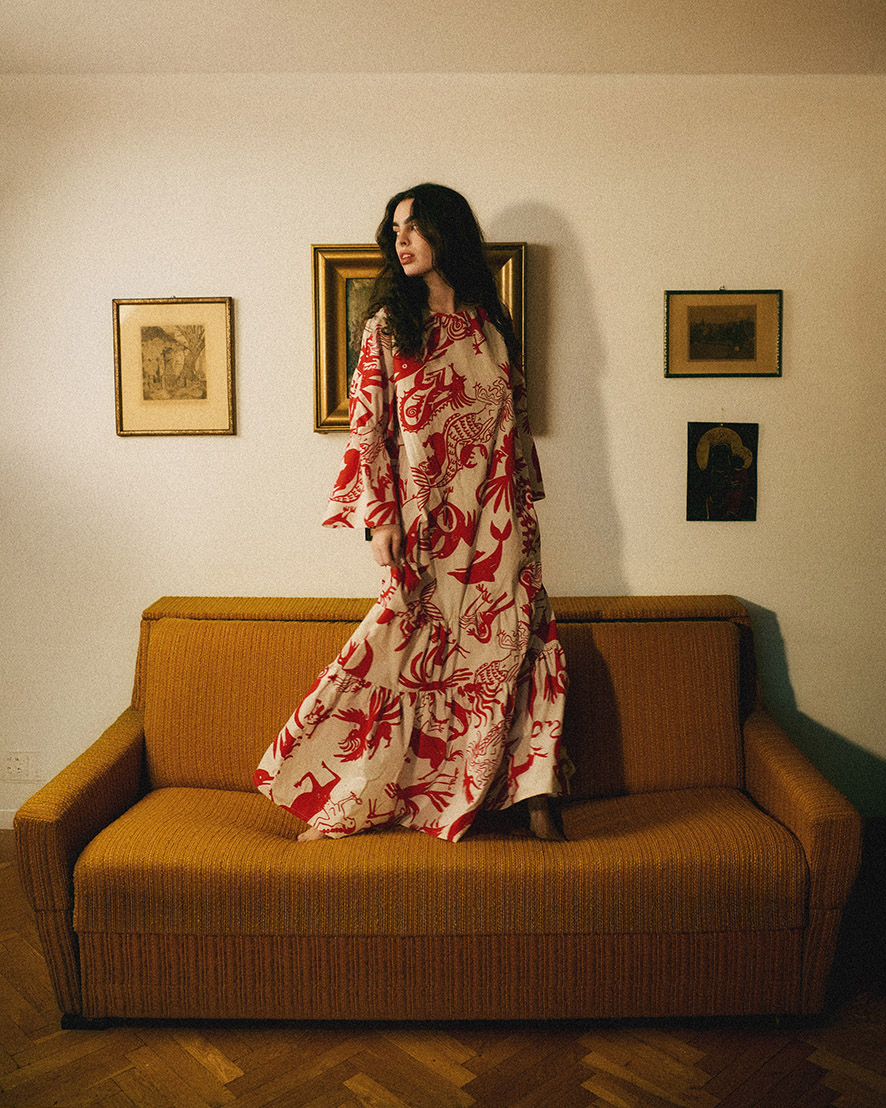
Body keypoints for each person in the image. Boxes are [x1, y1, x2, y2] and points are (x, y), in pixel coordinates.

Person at [254, 183, 570, 842]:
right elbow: (366, 429)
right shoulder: (389, 327)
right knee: (400, 652)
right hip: (428, 524)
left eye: (414, 227)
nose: (401, 241)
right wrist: (380, 519)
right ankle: (355, 796)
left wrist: (523, 509)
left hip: (500, 519)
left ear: (446, 232)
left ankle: (533, 790)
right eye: (394, 230)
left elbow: (516, 424)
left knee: (515, 645)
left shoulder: (490, 325)